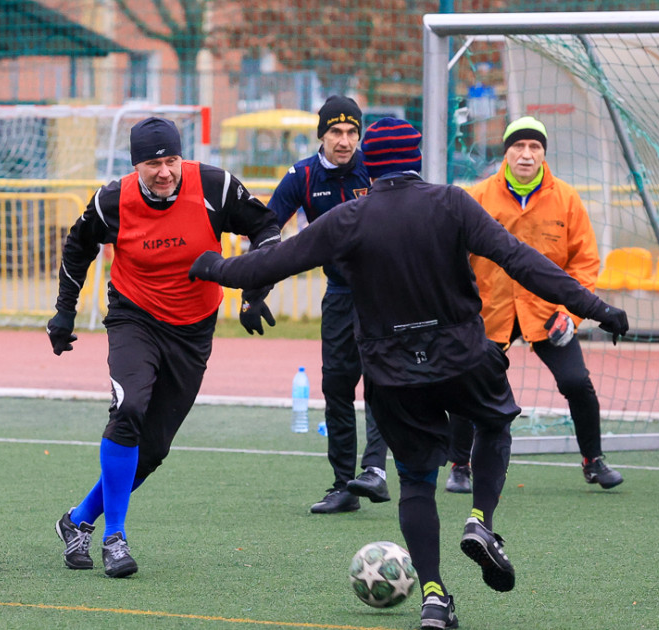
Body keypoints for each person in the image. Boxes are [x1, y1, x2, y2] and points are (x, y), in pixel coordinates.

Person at [188, 118, 628, 629]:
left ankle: (435, 595)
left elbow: (268, 265)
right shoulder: (453, 202)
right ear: (418, 157)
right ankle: (481, 521)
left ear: (369, 163)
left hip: (392, 371)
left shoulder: (348, 218)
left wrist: (207, 266)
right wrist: (596, 308)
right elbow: (524, 262)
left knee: (417, 482)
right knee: (494, 422)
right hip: (463, 355)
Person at [48, 117, 282, 578]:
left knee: (152, 449)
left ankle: (76, 521)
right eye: (153, 163)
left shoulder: (215, 186)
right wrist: (64, 312)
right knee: (129, 408)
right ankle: (115, 537)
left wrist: (256, 289)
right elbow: (78, 247)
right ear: (136, 165)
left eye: (171, 160)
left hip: (193, 330)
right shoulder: (111, 200)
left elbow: (268, 227)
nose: (164, 172)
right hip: (134, 318)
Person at [445, 116, 623, 493]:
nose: (526, 155)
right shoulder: (476, 197)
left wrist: (570, 314)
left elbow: (585, 262)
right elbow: (451, 256)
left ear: (543, 154)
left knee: (577, 382)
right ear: (506, 152)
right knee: (464, 382)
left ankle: (594, 460)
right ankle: (459, 465)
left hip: (546, 313)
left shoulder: (567, 198)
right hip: (488, 311)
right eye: (518, 147)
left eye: (534, 148)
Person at [267, 95, 389, 514]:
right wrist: (254, 291)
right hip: (338, 294)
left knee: (383, 383)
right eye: (336, 132)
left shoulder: (375, 168)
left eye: (353, 131)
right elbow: (267, 230)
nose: (345, 140)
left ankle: (375, 469)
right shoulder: (301, 175)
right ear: (321, 135)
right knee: (337, 386)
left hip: (384, 295)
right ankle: (344, 487)